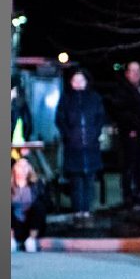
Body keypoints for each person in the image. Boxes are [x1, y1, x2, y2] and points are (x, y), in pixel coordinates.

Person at [54, 68, 106, 224]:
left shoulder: (94, 98)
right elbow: (60, 120)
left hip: (91, 146)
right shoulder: (66, 99)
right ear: (70, 82)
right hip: (73, 147)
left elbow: (100, 118)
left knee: (89, 180)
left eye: (81, 80)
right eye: (75, 80)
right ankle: (77, 212)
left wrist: (94, 134)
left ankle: (87, 211)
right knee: (76, 181)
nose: (78, 83)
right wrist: (68, 135)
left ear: (86, 81)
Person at [110, 61, 140, 208]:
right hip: (128, 133)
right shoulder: (122, 90)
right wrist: (131, 126)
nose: (136, 74)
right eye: (133, 71)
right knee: (129, 165)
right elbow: (120, 111)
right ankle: (128, 195)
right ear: (127, 73)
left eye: (138, 70)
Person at [11, 158, 48, 252]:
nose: (23, 169)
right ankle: (11, 240)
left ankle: (31, 240)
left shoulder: (37, 184)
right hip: (15, 224)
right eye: (20, 166)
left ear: (30, 169)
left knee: (38, 206)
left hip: (31, 225)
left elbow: (46, 204)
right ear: (14, 168)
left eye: (25, 166)